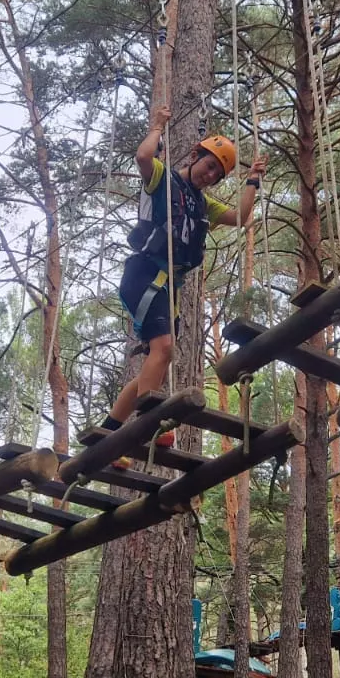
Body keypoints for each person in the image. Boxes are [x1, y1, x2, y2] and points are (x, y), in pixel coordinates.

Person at [103, 103, 266, 455]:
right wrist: (158, 126)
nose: (209, 176)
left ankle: (109, 429)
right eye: (209, 166)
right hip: (144, 273)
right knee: (162, 349)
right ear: (195, 155)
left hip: (167, 285)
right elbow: (143, 157)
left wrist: (252, 180)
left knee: (158, 359)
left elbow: (239, 216)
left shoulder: (203, 204)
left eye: (216, 175)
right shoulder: (163, 179)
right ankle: (148, 423)